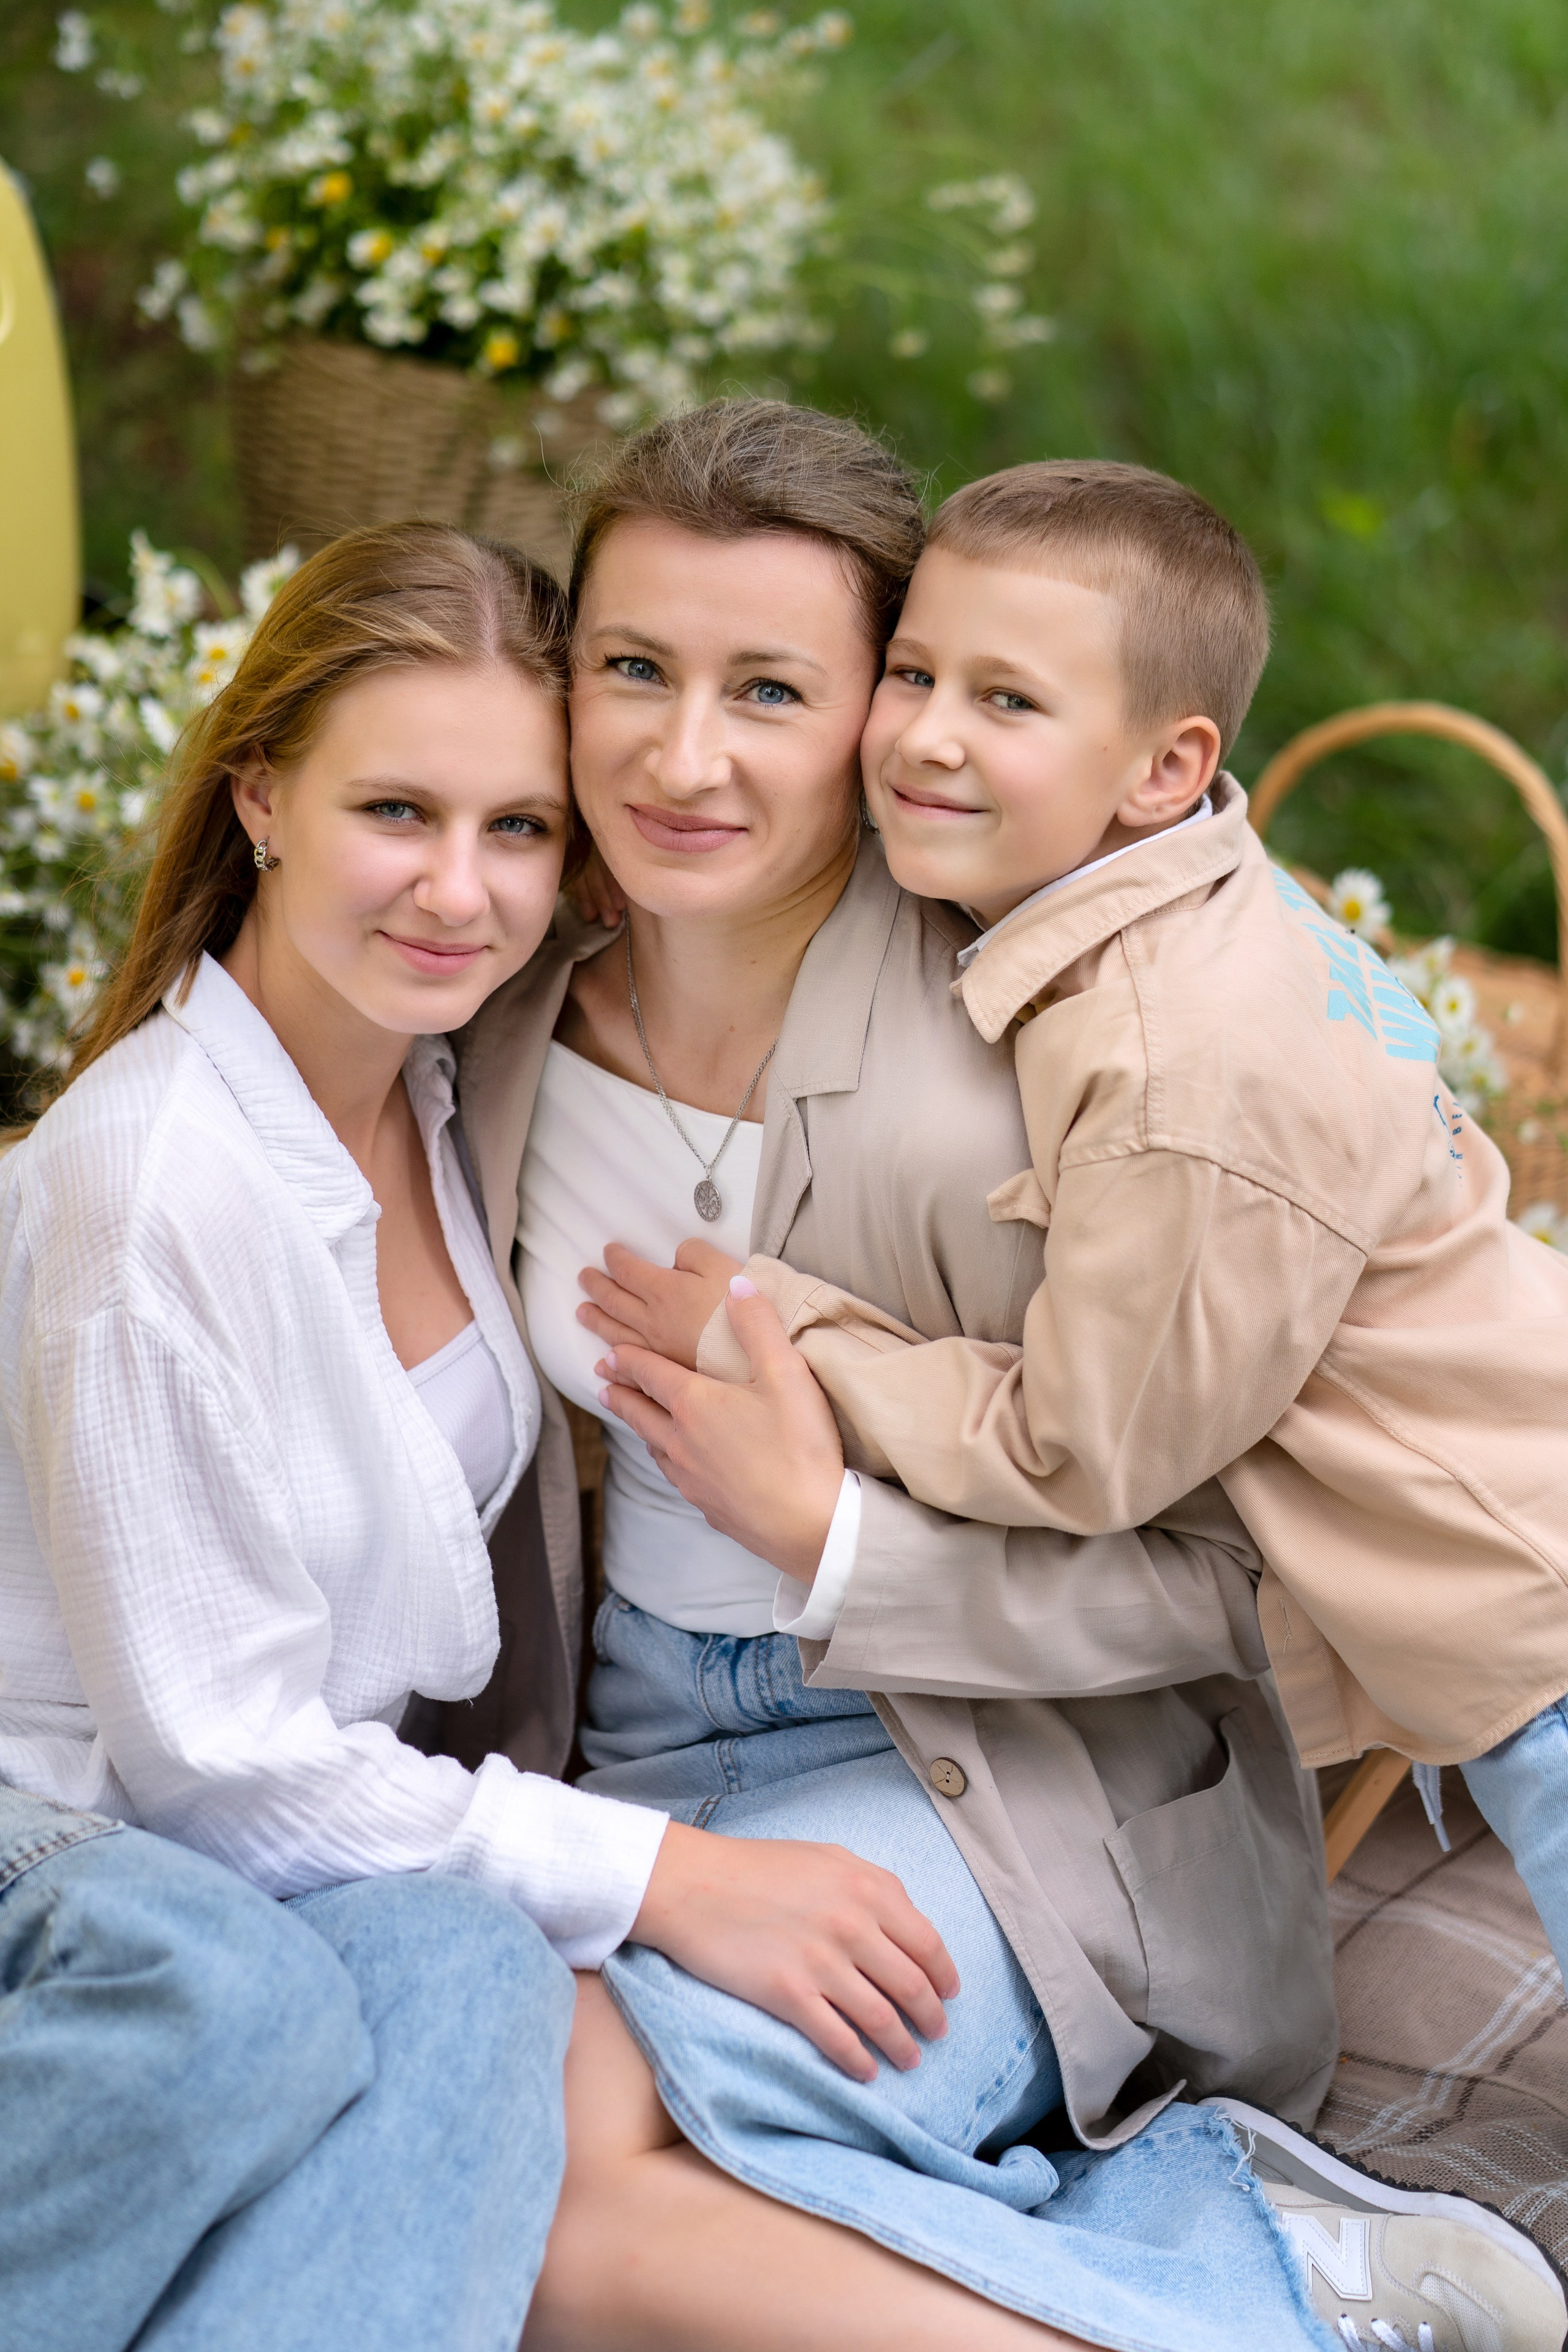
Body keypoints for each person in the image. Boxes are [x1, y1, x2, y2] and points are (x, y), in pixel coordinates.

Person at [459, 398, 1561, 2352]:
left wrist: (830, 1537)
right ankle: (1220, 2248)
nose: (680, 752)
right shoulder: (495, 1004)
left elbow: (1217, 1576)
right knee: (482, 2137)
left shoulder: (1039, 1067)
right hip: (635, 1753)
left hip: (991, 1778)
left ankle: (1261, 2302)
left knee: (546, 2192)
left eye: (773, 687)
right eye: (630, 666)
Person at [0, 519, 965, 2332]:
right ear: (262, 796)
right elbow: (220, 1766)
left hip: (283, 1844)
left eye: (518, 827)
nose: (458, 887)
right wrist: (671, 1868)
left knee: (475, 1967)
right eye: (397, 813)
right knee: (254, 2000)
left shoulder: (445, 1080)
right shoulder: (155, 1190)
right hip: (78, 1838)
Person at [629, 459, 1568, 1991]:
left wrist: (790, 1329)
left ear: (1158, 766)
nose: (924, 732)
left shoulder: (1173, 1068)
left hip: (1523, 1598)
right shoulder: (1187, 907)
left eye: (1006, 701)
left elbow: (1080, 1450)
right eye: (915, 672)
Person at [0, 1781, 574, 2352]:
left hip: (246, 1852)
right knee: (233, 1992)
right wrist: (635, 1872)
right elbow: (204, 1756)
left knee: (473, 1959)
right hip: (62, 1786)